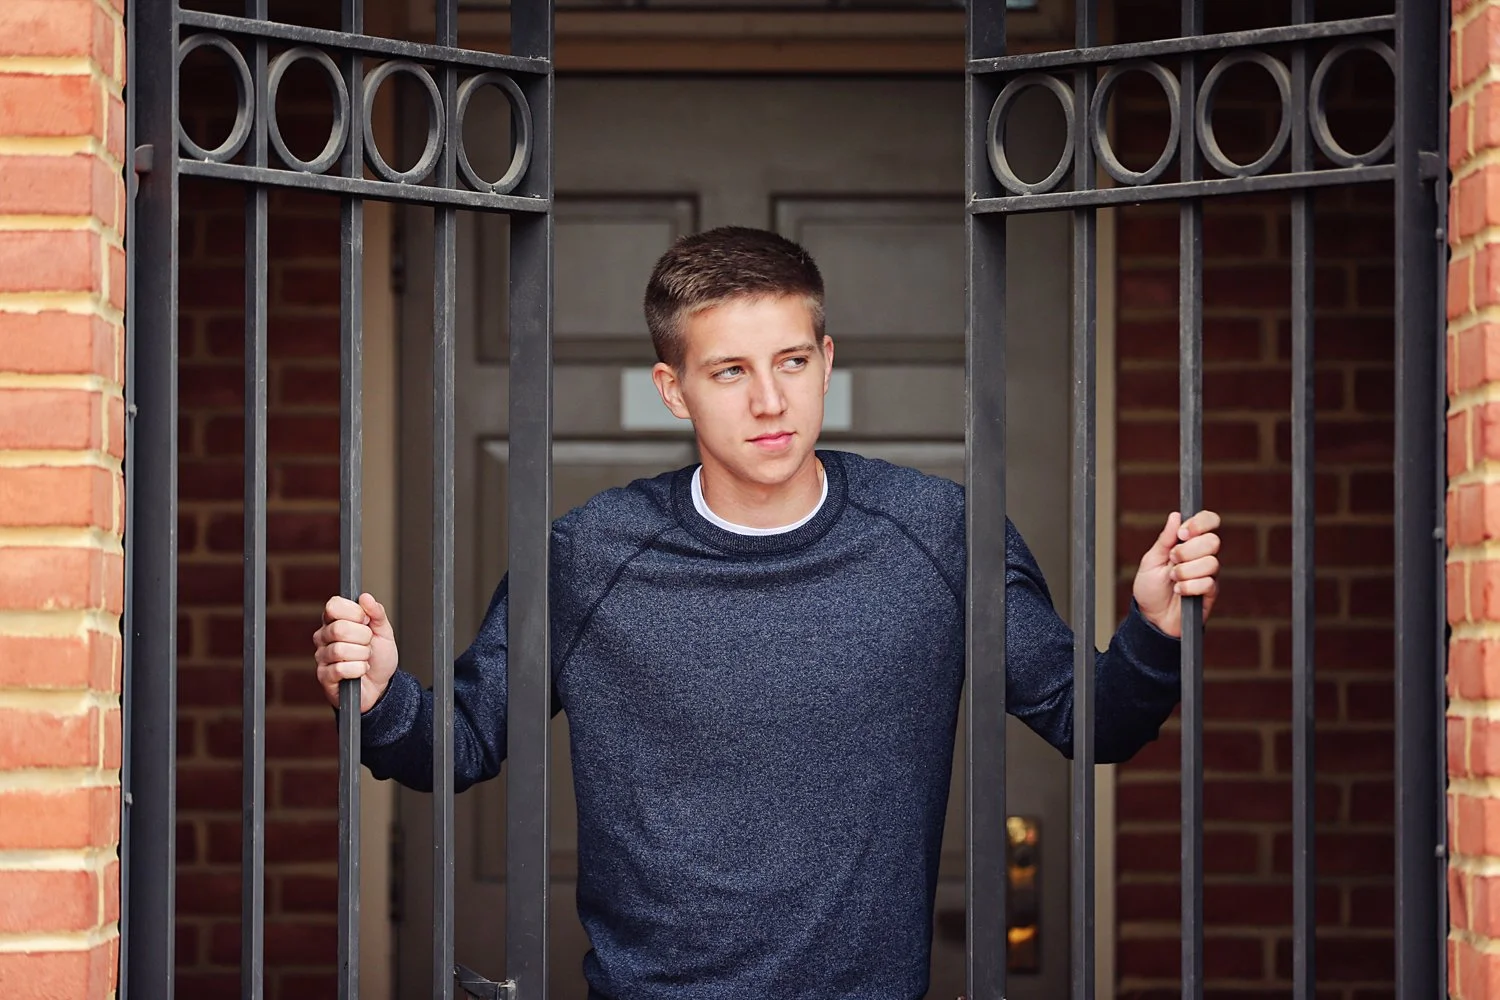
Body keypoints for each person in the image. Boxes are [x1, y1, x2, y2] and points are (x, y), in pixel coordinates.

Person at [313, 226, 1221, 1000]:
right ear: (674, 389)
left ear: (826, 362)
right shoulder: (590, 556)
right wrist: (383, 696)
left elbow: (1092, 721)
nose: (769, 401)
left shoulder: (940, 536)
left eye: (792, 361)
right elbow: (460, 741)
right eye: (730, 371)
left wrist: (1153, 631)